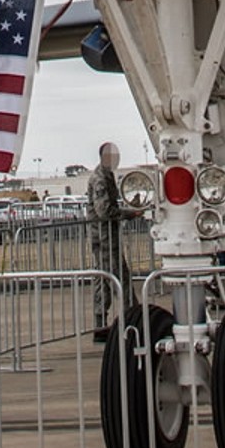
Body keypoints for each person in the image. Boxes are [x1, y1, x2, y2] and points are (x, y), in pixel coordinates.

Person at [89, 142, 132, 340]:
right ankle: (132, 318)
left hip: (108, 236)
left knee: (107, 278)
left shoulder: (107, 175)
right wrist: (128, 214)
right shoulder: (100, 178)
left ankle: (103, 323)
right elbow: (103, 211)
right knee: (116, 277)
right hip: (104, 237)